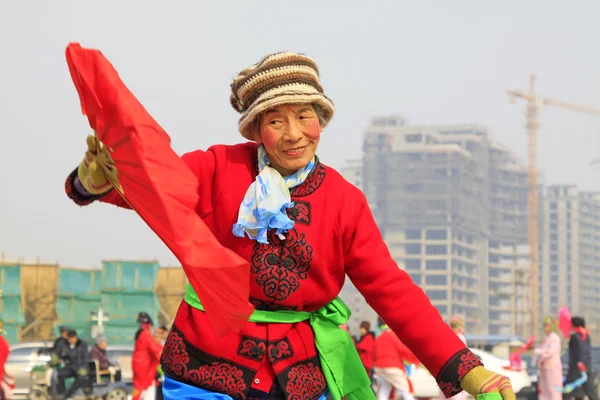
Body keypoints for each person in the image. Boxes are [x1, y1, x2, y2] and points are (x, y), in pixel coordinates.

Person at [64, 50, 515, 400]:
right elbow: (160, 190)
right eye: (276, 121)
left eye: (305, 117)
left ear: (322, 121)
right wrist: (96, 181)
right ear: (257, 129)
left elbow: (392, 291)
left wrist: (466, 370)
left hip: (299, 372)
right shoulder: (219, 166)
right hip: (205, 362)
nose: (294, 133)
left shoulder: (344, 201)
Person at [374, 321, 420, 400]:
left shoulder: (379, 337)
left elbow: (373, 354)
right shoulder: (393, 336)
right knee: (405, 389)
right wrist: (416, 359)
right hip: (392, 366)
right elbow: (403, 350)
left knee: (385, 388)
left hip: (380, 367)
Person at [131, 312, 163, 400]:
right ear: (150, 325)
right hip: (143, 366)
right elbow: (154, 347)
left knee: (142, 389)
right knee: (141, 389)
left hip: (140, 365)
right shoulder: (145, 333)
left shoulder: (141, 334)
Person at [565, 317, 598, 400]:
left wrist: (579, 362)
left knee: (567, 390)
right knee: (589, 389)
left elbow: (578, 351)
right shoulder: (587, 335)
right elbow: (585, 351)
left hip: (576, 368)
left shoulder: (574, 337)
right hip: (586, 367)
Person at [438, 316, 468, 400]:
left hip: (453, 369)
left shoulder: (458, 337)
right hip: (453, 368)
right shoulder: (457, 337)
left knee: (453, 395)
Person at [56, 329, 90, 400]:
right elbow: (63, 355)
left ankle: (68, 394)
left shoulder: (83, 345)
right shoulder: (65, 344)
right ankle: (62, 393)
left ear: (76, 337)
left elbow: (85, 358)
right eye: (70, 339)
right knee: (59, 374)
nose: (72, 340)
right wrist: (60, 359)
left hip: (80, 367)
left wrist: (83, 368)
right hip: (71, 367)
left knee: (81, 377)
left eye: (73, 338)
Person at [534, 317, 562, 400]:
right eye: (544, 325)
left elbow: (551, 351)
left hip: (552, 368)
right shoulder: (547, 338)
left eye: (547, 325)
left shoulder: (555, 338)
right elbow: (541, 348)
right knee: (543, 390)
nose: (545, 328)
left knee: (553, 390)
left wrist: (540, 351)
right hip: (544, 368)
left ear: (552, 326)